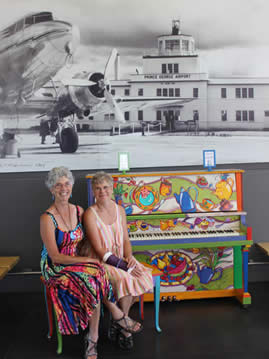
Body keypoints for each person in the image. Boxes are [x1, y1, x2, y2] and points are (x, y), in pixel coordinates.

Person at [40, 167, 142, 359]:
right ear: (51, 189)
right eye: (58, 185)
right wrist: (87, 260)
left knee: (98, 272)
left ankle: (96, 334)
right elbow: (55, 256)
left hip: (80, 262)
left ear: (71, 186)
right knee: (92, 279)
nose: (64, 188)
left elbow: (87, 240)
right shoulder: (47, 218)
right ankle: (110, 323)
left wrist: (92, 257)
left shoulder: (78, 210)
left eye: (67, 183)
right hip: (57, 267)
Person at [84, 172, 153, 350]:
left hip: (121, 256)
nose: (102, 191)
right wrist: (125, 267)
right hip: (102, 260)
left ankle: (121, 320)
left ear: (111, 188)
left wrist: (129, 257)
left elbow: (125, 240)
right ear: (93, 191)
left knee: (140, 276)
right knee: (126, 277)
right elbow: (99, 250)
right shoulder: (90, 214)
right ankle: (125, 326)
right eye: (98, 188)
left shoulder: (120, 210)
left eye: (105, 187)